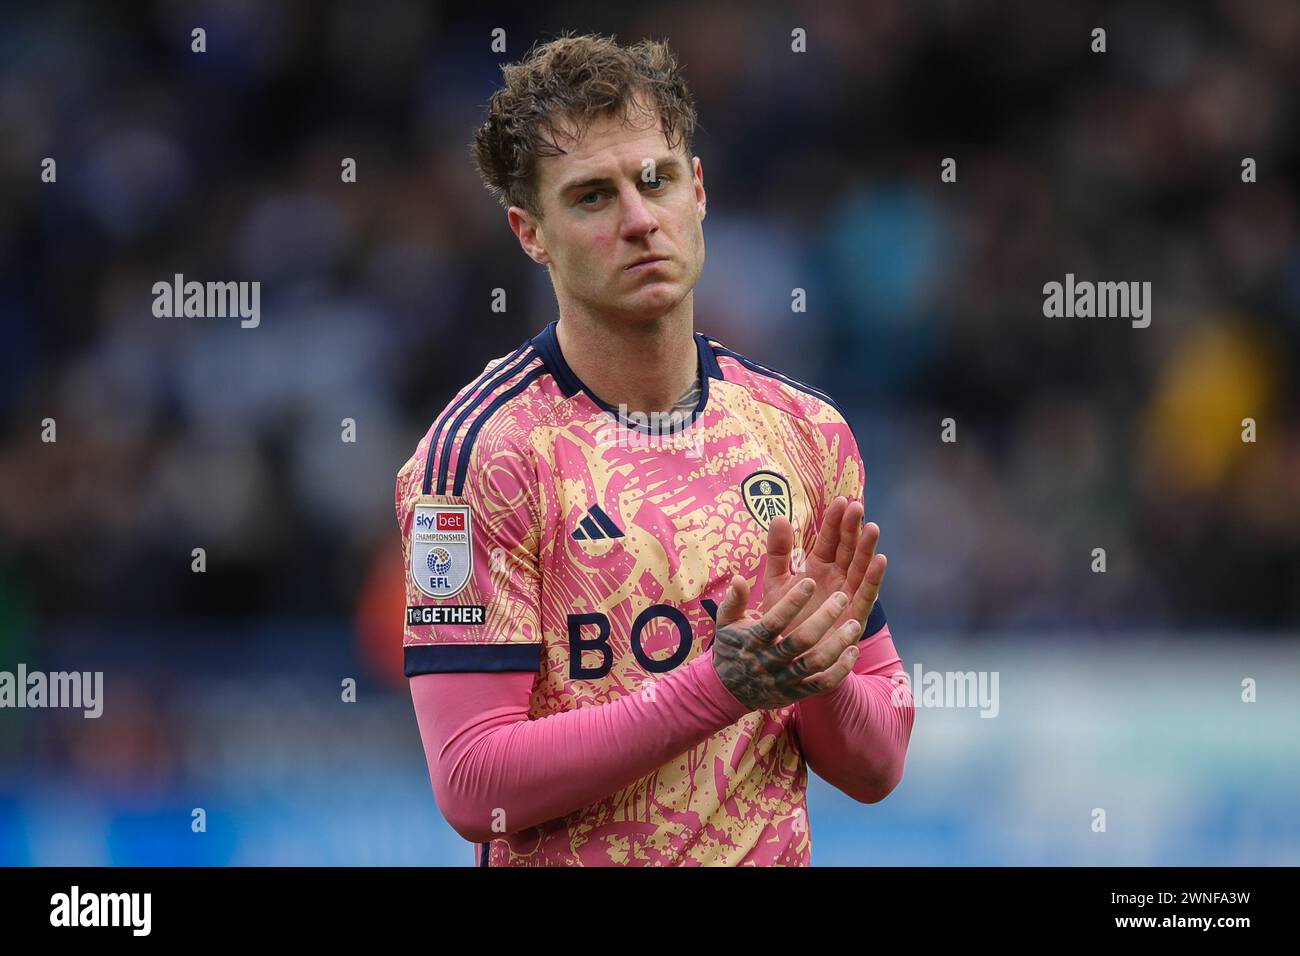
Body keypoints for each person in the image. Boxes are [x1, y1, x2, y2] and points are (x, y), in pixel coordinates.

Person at [396, 32, 914, 866]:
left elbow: (879, 763)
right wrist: (719, 686)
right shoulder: (473, 460)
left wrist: (818, 676)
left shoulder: (807, 431)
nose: (639, 220)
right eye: (592, 197)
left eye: (656, 181)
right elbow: (471, 784)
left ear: (697, 189)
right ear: (530, 233)